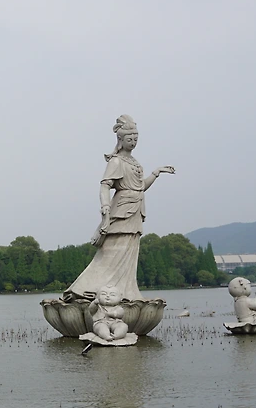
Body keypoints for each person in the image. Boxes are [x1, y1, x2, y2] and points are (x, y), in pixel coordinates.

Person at [66, 115, 175, 302]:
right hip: (121, 210)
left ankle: (126, 292)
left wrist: (156, 173)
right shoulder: (116, 161)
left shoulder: (135, 162)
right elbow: (105, 185)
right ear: (120, 139)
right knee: (111, 251)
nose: (133, 142)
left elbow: (140, 187)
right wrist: (105, 208)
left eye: (136, 138)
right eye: (129, 138)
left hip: (136, 211)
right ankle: (87, 289)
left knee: (129, 252)